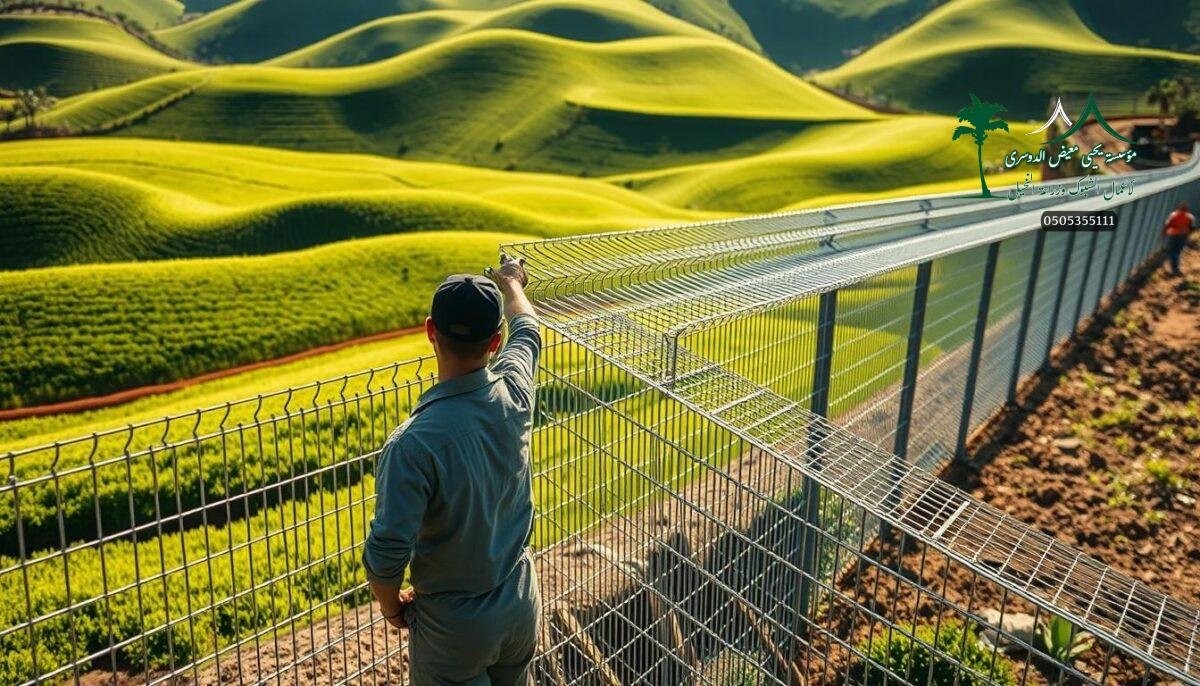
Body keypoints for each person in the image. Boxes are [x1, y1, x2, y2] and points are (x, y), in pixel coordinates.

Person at [363, 254, 541, 686]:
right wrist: (512, 282)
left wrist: (393, 609)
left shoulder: (412, 445)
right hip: (520, 601)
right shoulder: (516, 389)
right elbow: (529, 329)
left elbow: (386, 557)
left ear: (430, 331)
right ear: (495, 342)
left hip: (454, 630)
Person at [1162, 201, 1194, 277]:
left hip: (1174, 235)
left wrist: (1164, 234)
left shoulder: (1174, 215)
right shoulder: (1190, 217)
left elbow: (1167, 225)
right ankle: (1175, 268)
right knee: (1177, 252)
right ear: (1187, 210)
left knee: (1171, 252)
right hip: (1184, 236)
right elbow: (1191, 228)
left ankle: (1174, 268)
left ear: (1179, 208)